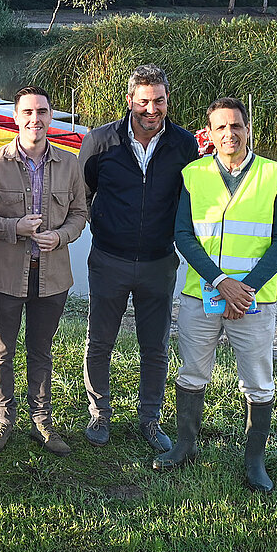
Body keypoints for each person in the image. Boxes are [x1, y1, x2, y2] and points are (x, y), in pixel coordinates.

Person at [153, 97, 277, 492]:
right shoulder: (193, 174)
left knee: (258, 382)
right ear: (209, 134)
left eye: (236, 126)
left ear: (248, 129)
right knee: (192, 373)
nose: (229, 134)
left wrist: (242, 290)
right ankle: (185, 446)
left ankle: (254, 463)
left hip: (252, 301)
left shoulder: (276, 176)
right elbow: (184, 235)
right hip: (203, 295)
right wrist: (220, 282)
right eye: (220, 128)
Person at [79, 64, 199, 451]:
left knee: (156, 346)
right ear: (129, 100)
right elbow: (85, 192)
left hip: (159, 262)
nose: (152, 109)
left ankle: (150, 419)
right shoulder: (99, 141)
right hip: (108, 259)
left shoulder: (184, 145)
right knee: (100, 342)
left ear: (168, 100)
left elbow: (189, 200)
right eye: (144, 101)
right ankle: (100, 414)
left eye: (159, 100)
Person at [0, 86, 88, 456]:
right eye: (27, 112)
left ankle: (42, 421)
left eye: (41, 111)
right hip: (6, 275)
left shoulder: (71, 164)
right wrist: (14, 228)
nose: (34, 119)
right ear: (15, 116)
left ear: (51, 116)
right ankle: (2, 420)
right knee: (1, 352)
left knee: (41, 351)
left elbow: (80, 215)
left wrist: (59, 237)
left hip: (53, 276)